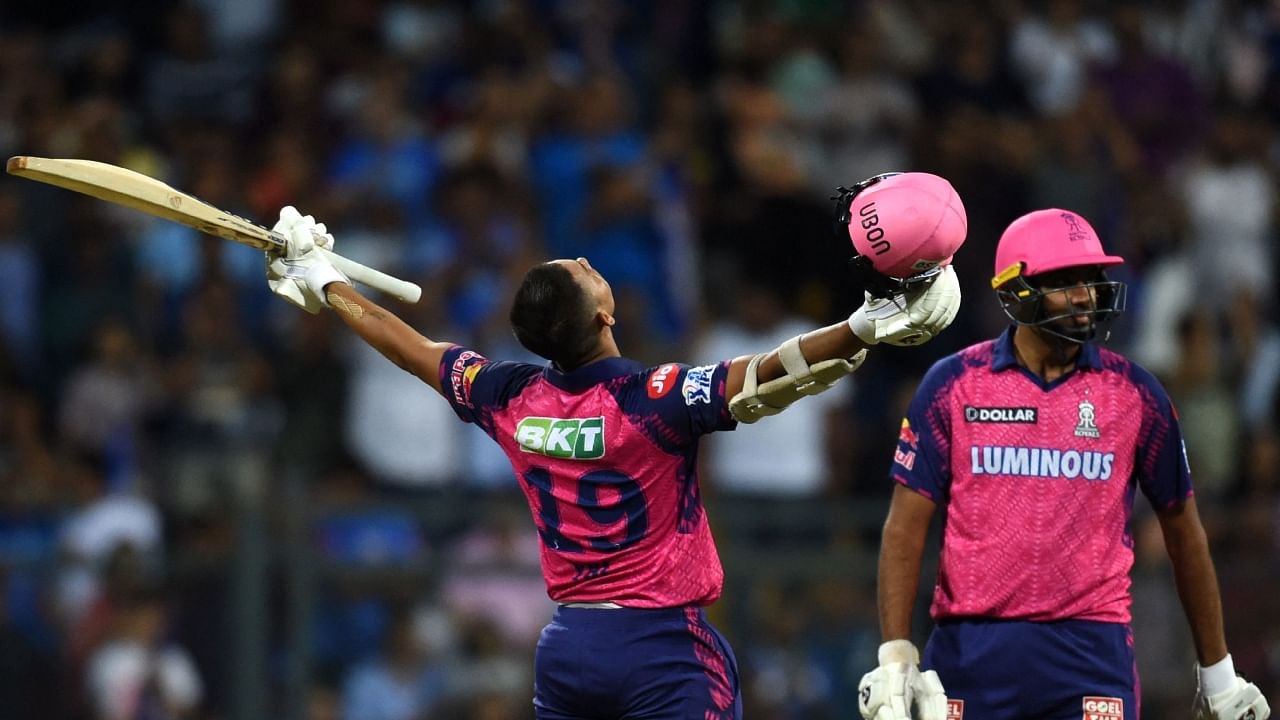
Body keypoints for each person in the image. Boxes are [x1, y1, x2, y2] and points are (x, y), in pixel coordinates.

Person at [263, 172, 966, 720]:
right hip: (661, 647)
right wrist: (864, 328)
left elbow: (411, 348)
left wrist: (325, 279)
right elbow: (762, 377)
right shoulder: (649, 399)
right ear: (603, 314)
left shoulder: (507, 396)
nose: (586, 258)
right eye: (583, 268)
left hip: (567, 651)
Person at [857, 208, 1272, 720]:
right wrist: (896, 655)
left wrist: (1219, 675)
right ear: (1015, 291)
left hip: (1092, 653)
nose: (1084, 296)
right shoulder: (952, 385)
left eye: (1090, 280)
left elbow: (1184, 534)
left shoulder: (1137, 395)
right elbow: (904, 529)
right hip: (971, 652)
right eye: (1063, 282)